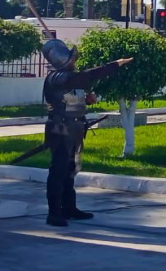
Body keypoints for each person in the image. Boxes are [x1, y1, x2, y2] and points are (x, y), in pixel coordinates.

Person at [42, 39, 133, 226]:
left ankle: (69, 208)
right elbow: (86, 77)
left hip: (74, 128)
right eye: (72, 59)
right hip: (61, 128)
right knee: (58, 171)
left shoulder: (70, 78)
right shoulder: (57, 77)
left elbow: (74, 98)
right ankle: (54, 213)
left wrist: (87, 100)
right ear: (64, 60)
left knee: (70, 170)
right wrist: (114, 65)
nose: (75, 61)